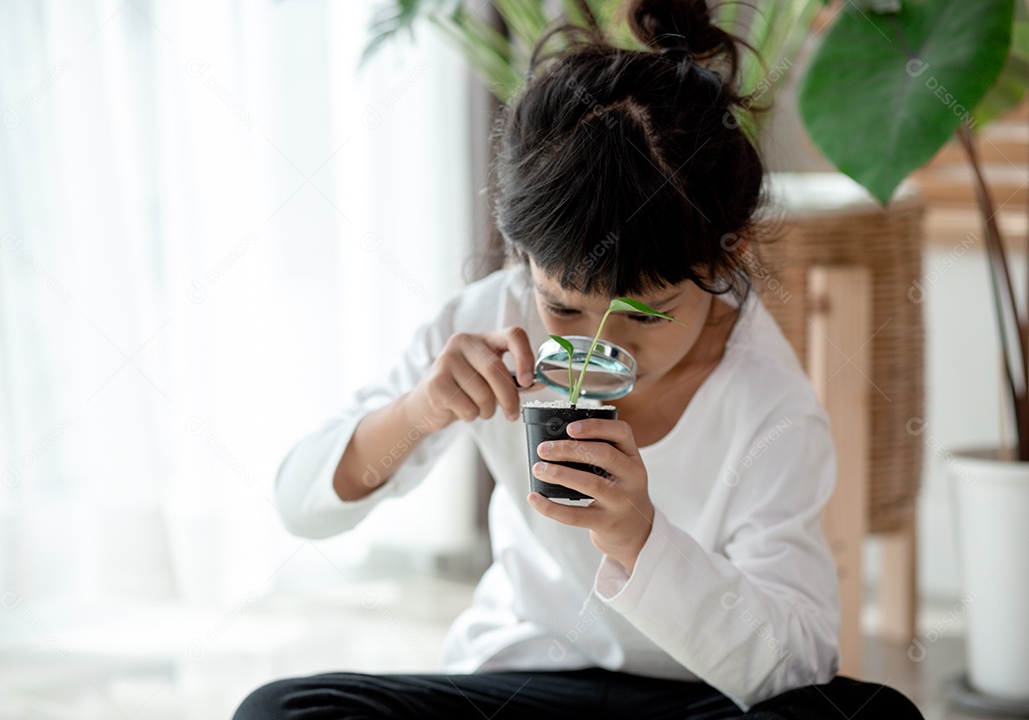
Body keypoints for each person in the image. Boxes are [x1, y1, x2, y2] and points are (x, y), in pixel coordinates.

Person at [234, 0, 925, 717]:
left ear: (730, 255)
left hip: (694, 698)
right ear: (524, 258)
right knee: (281, 709)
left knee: (868, 714)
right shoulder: (491, 319)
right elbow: (300, 504)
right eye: (563, 307)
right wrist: (418, 412)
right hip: (517, 684)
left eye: (648, 311)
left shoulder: (769, 405)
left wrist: (639, 536)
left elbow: (800, 660)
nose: (603, 346)